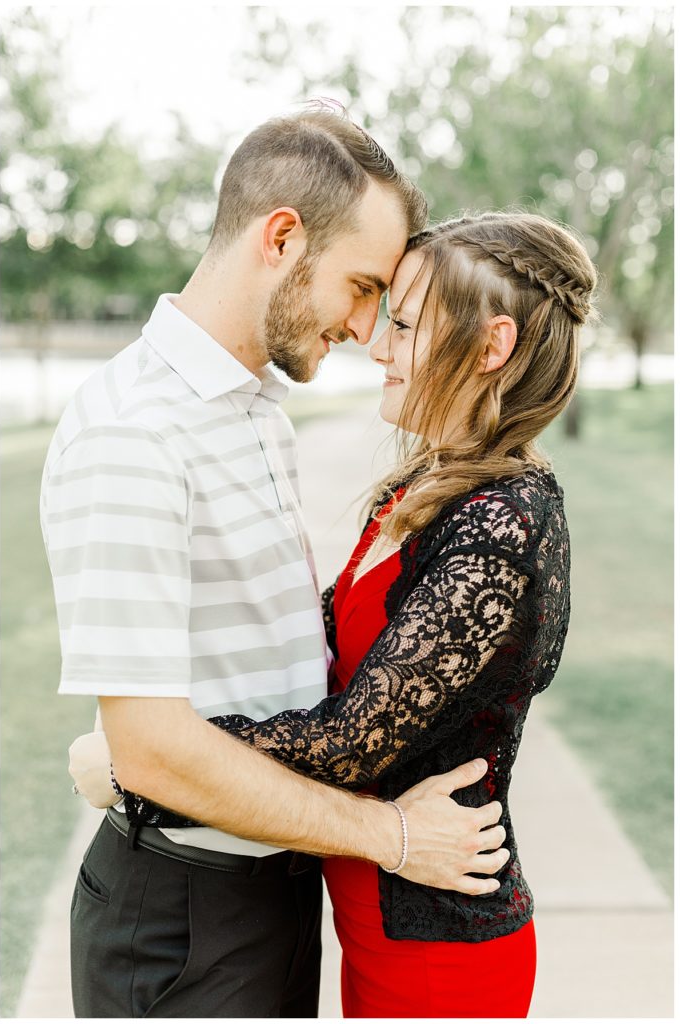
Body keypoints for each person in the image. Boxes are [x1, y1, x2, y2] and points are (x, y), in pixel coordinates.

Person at [41, 105, 508, 1019]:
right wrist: (392, 836)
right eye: (362, 286)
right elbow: (152, 749)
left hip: (272, 893)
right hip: (184, 918)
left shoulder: (255, 406)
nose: (371, 327)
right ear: (283, 238)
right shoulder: (136, 432)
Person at [88, 210, 597, 1017]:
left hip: (441, 948)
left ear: (491, 347)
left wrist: (143, 762)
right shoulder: (422, 489)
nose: (377, 343)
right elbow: (317, 638)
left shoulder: (504, 524)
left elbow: (349, 742)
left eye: (403, 323)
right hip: (369, 923)